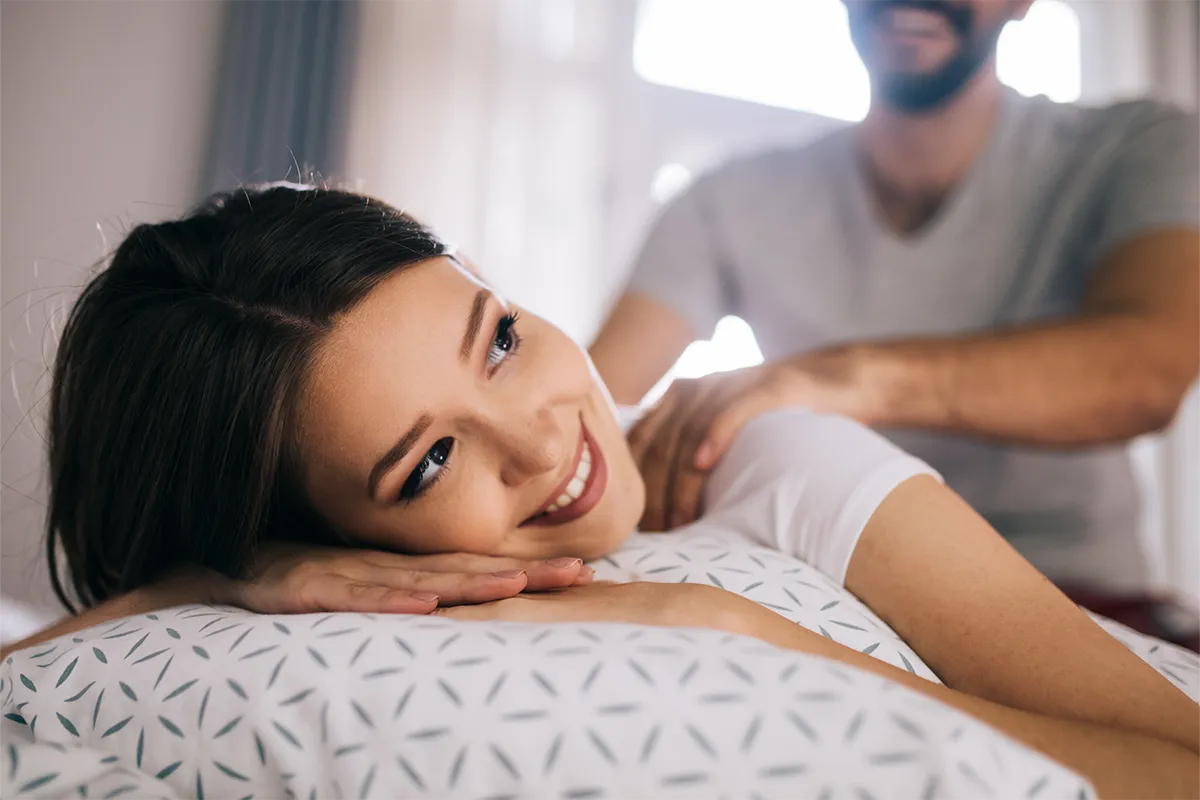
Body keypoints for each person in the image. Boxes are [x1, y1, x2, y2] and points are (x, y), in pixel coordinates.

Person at [2, 185, 1199, 795]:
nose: (541, 440)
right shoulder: (299, 583)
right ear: (338, 540)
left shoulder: (770, 461)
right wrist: (228, 574)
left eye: (504, 339)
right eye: (427, 463)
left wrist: (738, 628)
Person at [588, 0, 1200, 629]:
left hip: (1080, 601)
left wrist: (851, 379)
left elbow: (1149, 370)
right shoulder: (723, 200)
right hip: (830, 599)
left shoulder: (1137, 148)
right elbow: (591, 402)